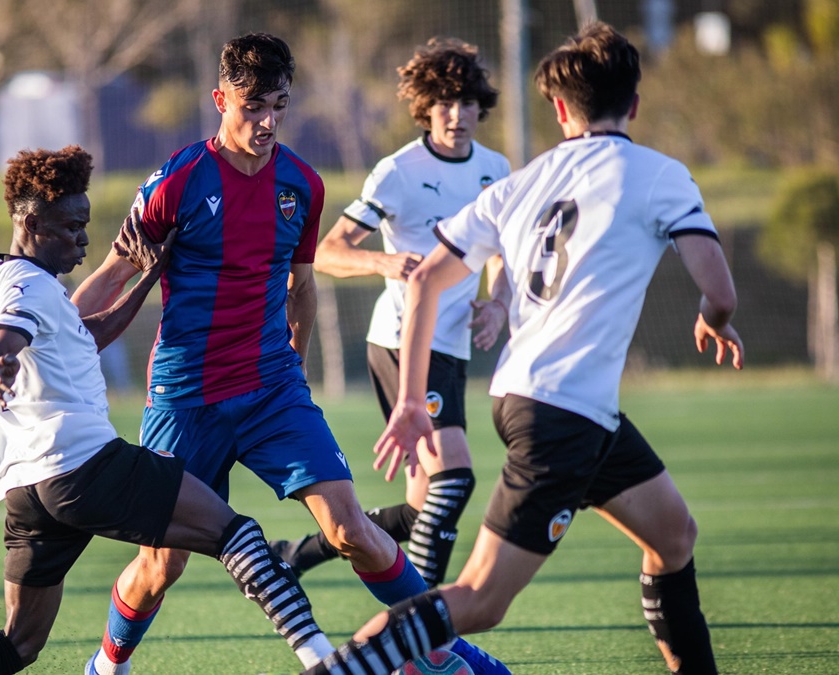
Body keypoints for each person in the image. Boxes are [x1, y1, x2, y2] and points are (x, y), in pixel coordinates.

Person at [300, 22, 742, 675]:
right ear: (636, 104)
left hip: (545, 401)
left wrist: (411, 402)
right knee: (479, 598)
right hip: (562, 413)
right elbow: (720, 287)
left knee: (673, 534)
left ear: (560, 110)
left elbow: (423, 279)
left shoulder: (518, 180)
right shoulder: (660, 174)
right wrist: (714, 316)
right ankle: (339, 669)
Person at [71, 32, 503, 675]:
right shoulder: (177, 182)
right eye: (253, 107)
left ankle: (440, 652)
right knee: (162, 563)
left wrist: (290, 376)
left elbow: (301, 288)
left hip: (273, 390)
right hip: (185, 398)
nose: (268, 121)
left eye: (279, 105)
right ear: (220, 99)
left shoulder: (302, 184)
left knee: (351, 529)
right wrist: (40, 337)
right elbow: (110, 276)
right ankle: (107, 666)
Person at [0, 146, 335, 674]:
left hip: (27, 487)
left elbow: (89, 333)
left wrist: (150, 276)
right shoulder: (27, 288)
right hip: (83, 466)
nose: (84, 239)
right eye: (72, 226)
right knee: (236, 534)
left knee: (19, 644)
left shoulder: (0, 278)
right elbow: (1, 342)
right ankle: (324, 658)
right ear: (33, 221)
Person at [273, 37, 512, 589]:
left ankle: (296, 555)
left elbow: (500, 251)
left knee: (416, 511)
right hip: (401, 340)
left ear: (481, 106)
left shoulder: (496, 169)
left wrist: (497, 302)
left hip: (449, 348)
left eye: (466, 103)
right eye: (444, 104)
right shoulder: (398, 171)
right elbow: (328, 251)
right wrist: (384, 261)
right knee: (453, 481)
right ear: (425, 108)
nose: (456, 115)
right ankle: (421, 622)